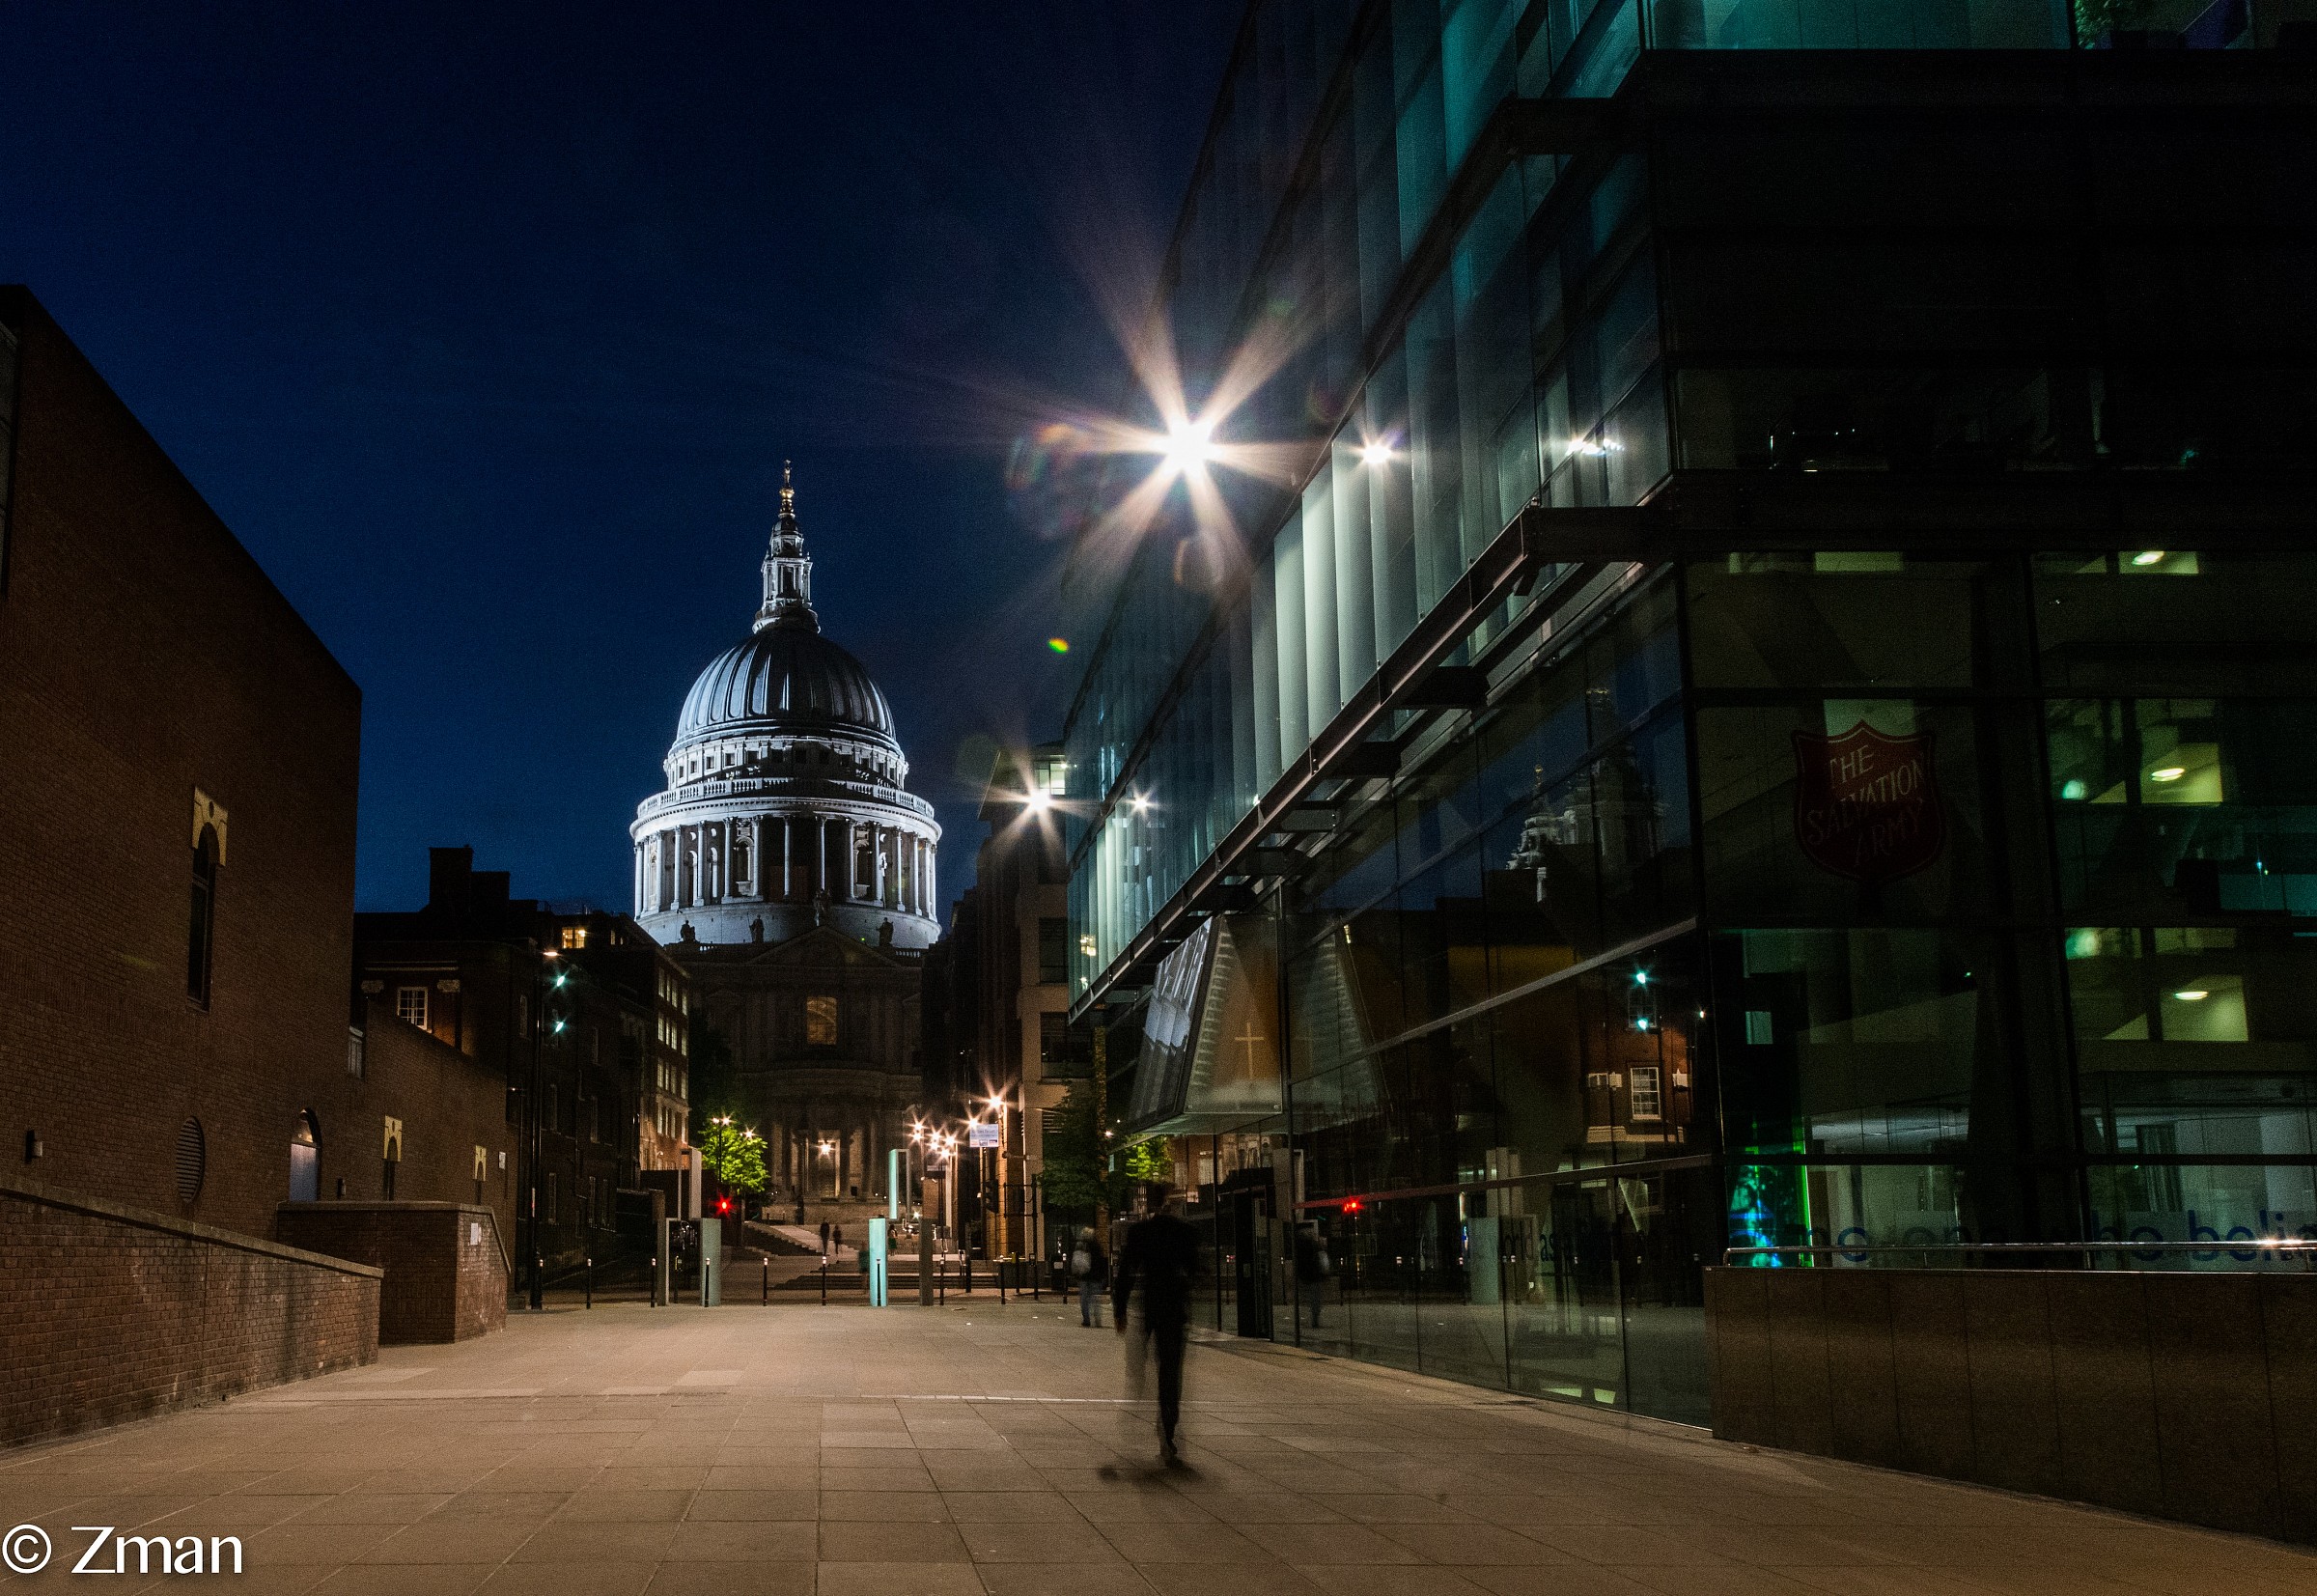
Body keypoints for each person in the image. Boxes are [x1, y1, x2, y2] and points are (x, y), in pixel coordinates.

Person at [1112, 1182, 1198, 1467]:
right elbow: (1196, 1269)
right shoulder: (1183, 1231)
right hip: (1173, 1308)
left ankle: (1138, 1397)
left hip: (1150, 1306)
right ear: (1169, 1202)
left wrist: (1119, 1310)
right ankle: (1168, 1427)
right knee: (1170, 1371)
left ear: (1148, 1203)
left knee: (1138, 1365)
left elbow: (1126, 1271)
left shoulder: (1141, 1232)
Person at [1293, 1223, 1330, 1329]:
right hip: (1313, 1277)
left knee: (1307, 1299)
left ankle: (1307, 1320)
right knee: (1314, 1300)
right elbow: (1318, 1261)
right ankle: (1314, 1320)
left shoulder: (1300, 1248)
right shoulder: (1313, 1247)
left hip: (1305, 1277)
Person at [1071, 1226, 1109, 1328]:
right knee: (1095, 1299)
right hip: (1096, 1277)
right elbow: (1102, 1262)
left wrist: (1076, 1273)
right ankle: (1098, 1320)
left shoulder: (1081, 1245)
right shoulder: (1097, 1246)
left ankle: (1086, 1320)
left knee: (1084, 1299)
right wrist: (1103, 1276)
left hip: (1084, 1276)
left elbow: (1076, 1260)